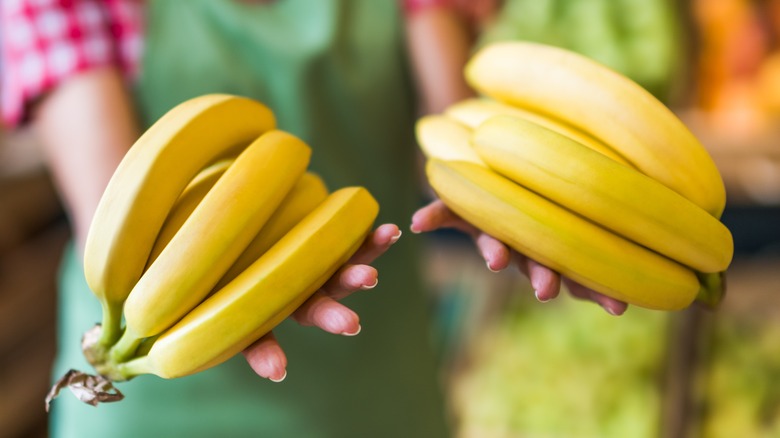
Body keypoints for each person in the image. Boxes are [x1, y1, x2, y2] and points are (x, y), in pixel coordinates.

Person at [1, 1, 626, 437]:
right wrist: (264, 285)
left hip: (373, 381)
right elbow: (118, 211)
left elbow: (452, 128)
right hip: (166, 399)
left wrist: (513, 206)